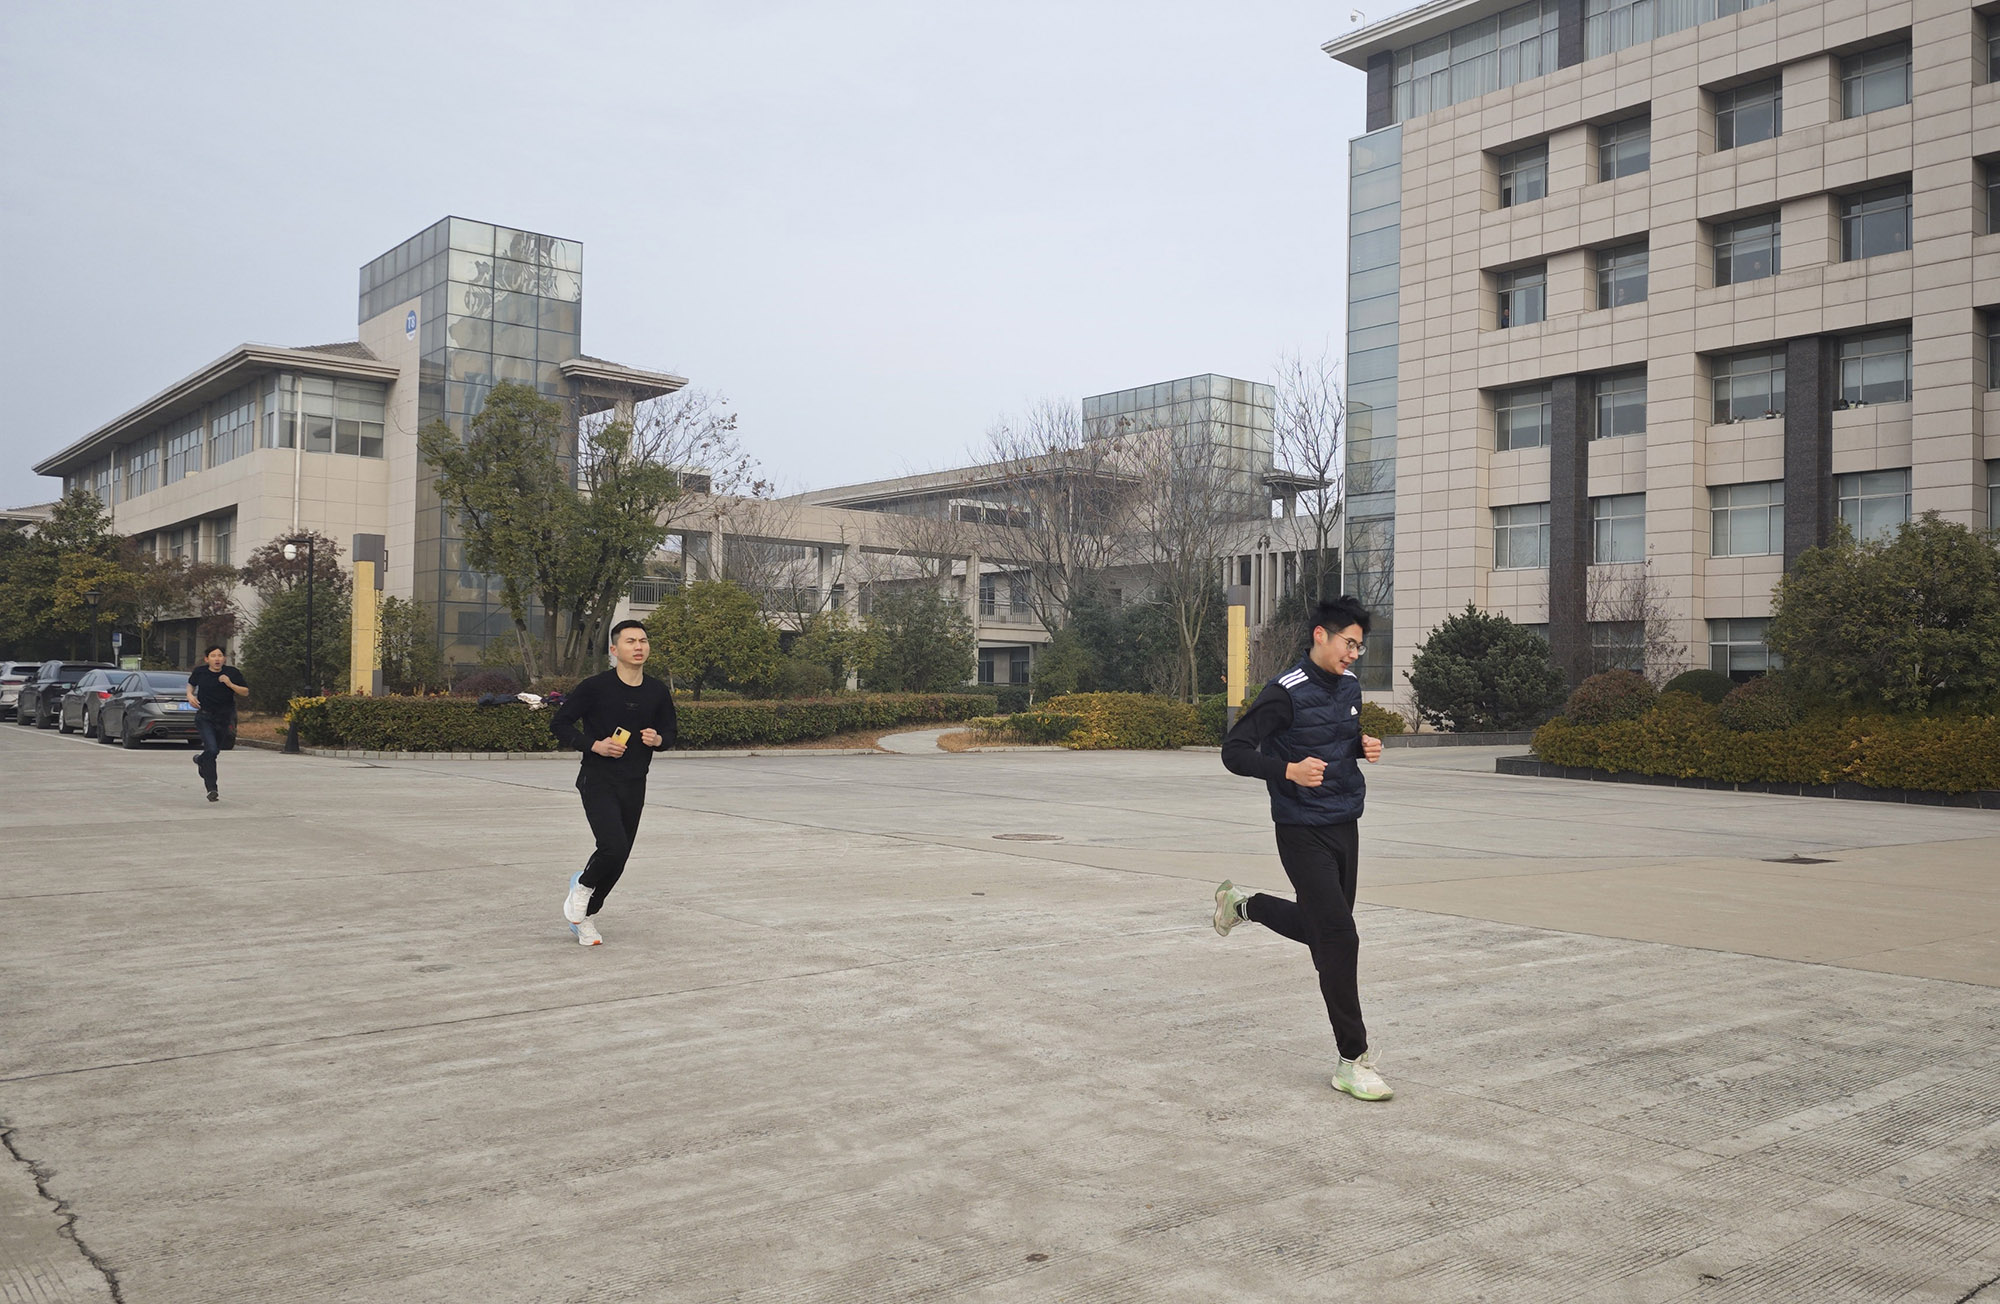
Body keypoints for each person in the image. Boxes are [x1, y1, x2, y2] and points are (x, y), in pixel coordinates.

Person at [1214, 595, 1392, 1101]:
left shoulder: (1350, 686)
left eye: (1359, 646)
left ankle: (1242, 906)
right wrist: (1287, 770)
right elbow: (1234, 751)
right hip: (1299, 828)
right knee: (1339, 938)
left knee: (1323, 933)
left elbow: (1336, 738)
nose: (1354, 654)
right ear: (1321, 635)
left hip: (1344, 822)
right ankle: (1352, 1059)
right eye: (1348, 643)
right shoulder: (1284, 691)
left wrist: (1362, 745)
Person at [550, 620, 677, 946]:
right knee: (613, 846)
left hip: (634, 782)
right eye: (630, 641)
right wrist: (594, 745)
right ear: (614, 649)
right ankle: (582, 885)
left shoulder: (657, 691)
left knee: (619, 858)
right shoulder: (595, 687)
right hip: (597, 778)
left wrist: (658, 739)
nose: (639, 646)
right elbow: (560, 723)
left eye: (643, 640)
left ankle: (585, 918)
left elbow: (671, 733)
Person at [186, 645, 249, 803]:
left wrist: (230, 684)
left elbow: (245, 692)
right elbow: (191, 684)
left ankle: (201, 760)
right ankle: (212, 789)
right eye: (213, 656)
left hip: (224, 718)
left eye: (220, 655)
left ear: (224, 659)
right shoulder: (200, 672)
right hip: (205, 717)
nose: (217, 659)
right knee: (212, 749)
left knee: (214, 752)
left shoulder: (232, 673)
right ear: (207, 659)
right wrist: (190, 695)